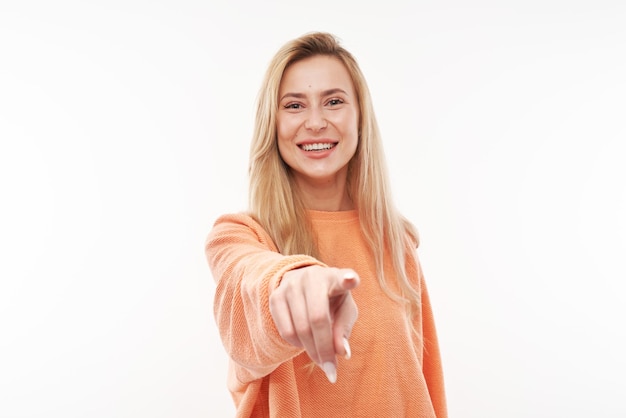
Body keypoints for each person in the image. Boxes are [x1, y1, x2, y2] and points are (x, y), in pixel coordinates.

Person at [205, 31, 447, 418]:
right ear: (274, 123)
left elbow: (425, 386)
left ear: (359, 117)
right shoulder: (240, 235)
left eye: (333, 102)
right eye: (294, 105)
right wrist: (292, 279)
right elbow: (246, 285)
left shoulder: (395, 241)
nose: (315, 122)